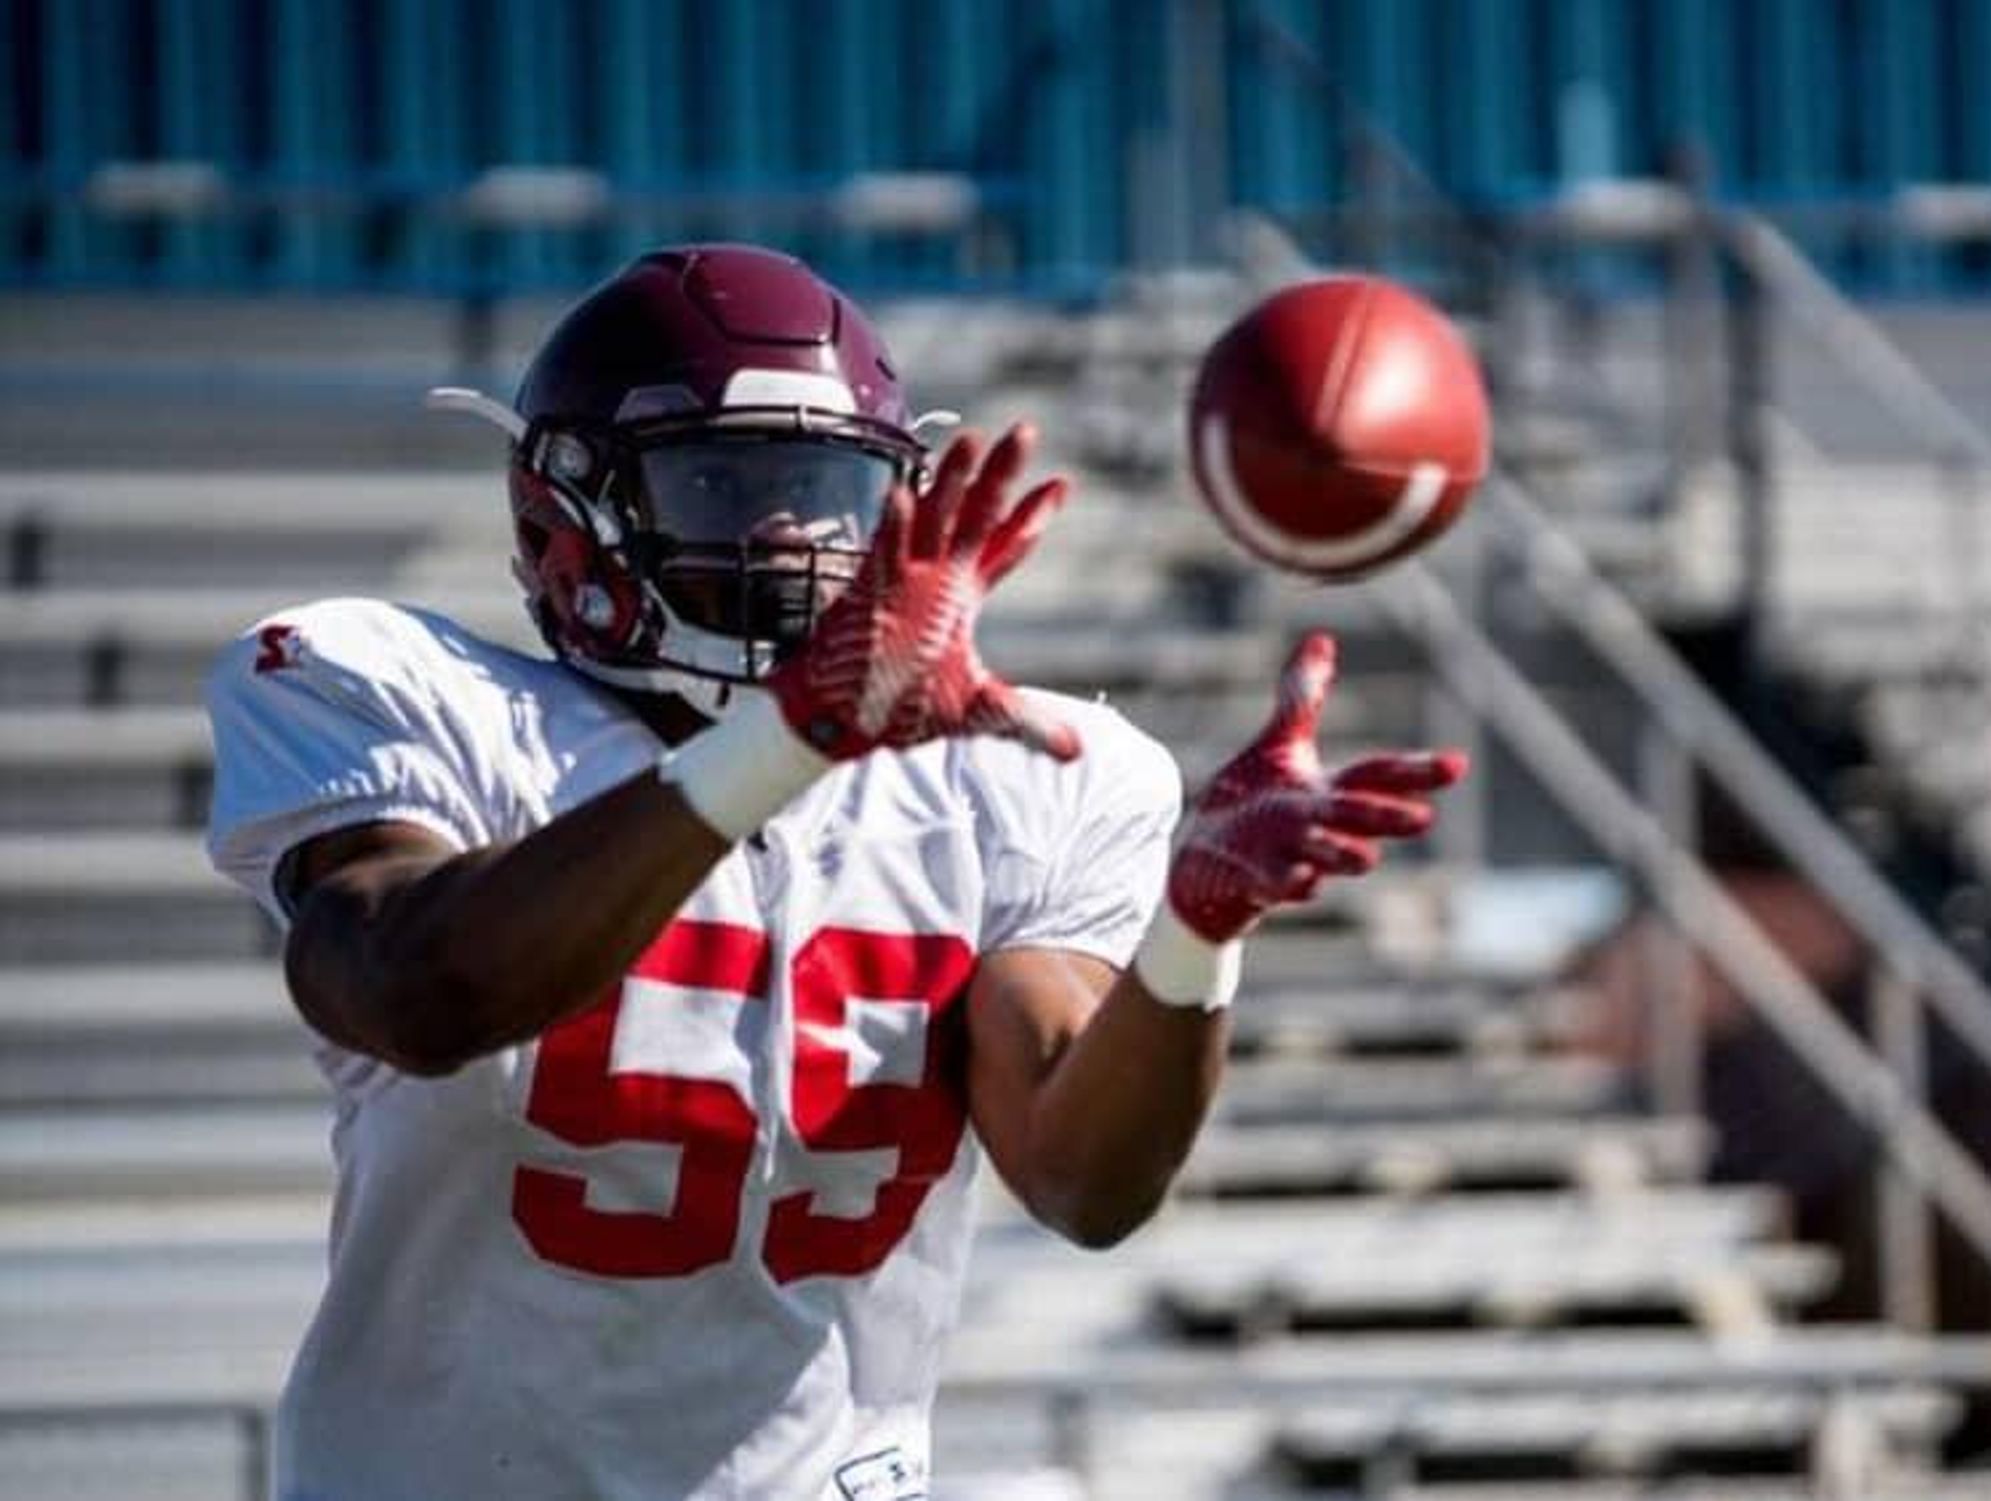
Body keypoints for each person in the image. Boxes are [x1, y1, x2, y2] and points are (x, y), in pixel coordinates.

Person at [204, 243, 1466, 1500]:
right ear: (562, 519)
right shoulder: (407, 698)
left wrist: (1196, 933)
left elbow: (1083, 1180)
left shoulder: (1026, 779)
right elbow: (422, 989)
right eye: (720, 485)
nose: (794, 538)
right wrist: (791, 735)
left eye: (828, 492)